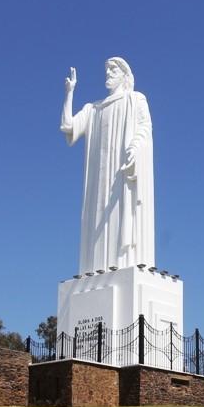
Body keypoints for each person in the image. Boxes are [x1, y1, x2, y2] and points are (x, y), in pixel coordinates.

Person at [60, 58, 154, 275]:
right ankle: (96, 269)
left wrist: (135, 148)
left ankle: (123, 262)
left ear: (124, 75)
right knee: (96, 221)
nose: (109, 73)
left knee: (121, 217)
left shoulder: (135, 99)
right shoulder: (94, 109)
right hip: (99, 182)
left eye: (113, 70)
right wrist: (69, 93)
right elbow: (68, 125)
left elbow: (145, 127)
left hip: (122, 173)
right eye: (107, 70)